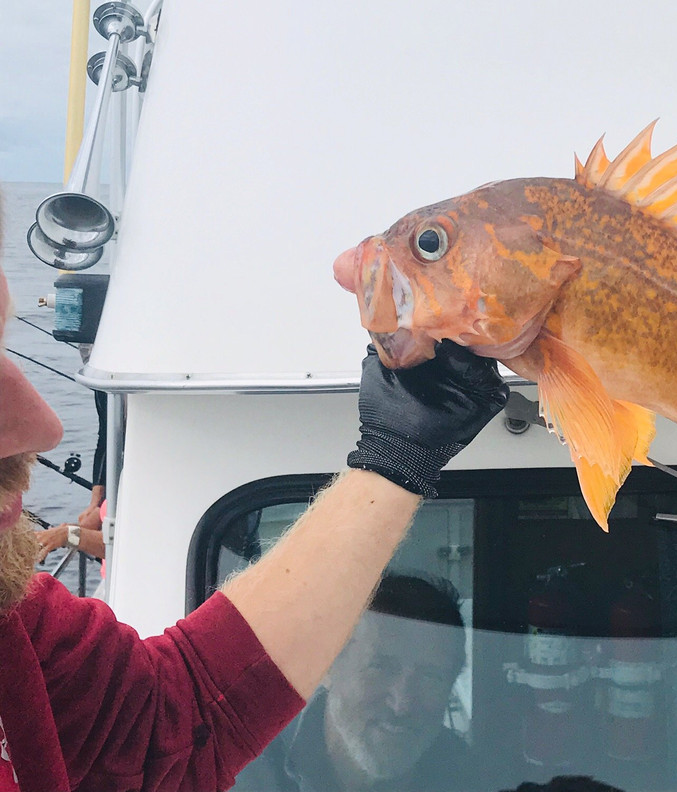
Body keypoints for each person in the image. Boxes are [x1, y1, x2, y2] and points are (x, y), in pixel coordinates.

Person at [0, 195, 510, 792]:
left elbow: (169, 725)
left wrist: (399, 457)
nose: (43, 424)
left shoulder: (18, 628)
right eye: (378, 665)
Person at [234, 573, 473, 791]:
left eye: (431, 677)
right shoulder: (248, 771)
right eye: (380, 667)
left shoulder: (474, 776)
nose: (403, 704)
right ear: (327, 667)